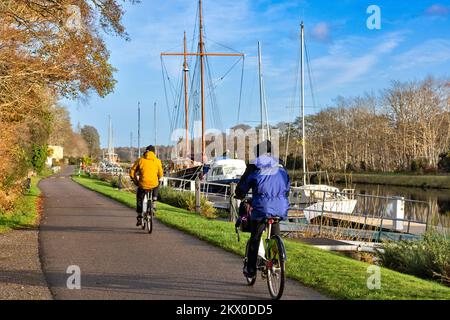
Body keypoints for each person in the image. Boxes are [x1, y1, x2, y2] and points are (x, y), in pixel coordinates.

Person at [235, 140, 290, 279]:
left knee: (255, 237)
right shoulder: (281, 165)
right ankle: (276, 260)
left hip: (261, 207)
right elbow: (287, 186)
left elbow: (243, 186)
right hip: (281, 206)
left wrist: (239, 194)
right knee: (274, 234)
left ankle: (251, 270)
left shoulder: (254, 166)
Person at [130, 145, 164, 226]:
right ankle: (154, 202)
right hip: (153, 184)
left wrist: (135, 181)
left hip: (143, 184)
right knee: (157, 184)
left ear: (146, 151)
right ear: (154, 152)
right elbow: (161, 174)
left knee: (139, 198)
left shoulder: (140, 160)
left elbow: (132, 171)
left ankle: (139, 216)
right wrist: (159, 178)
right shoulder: (157, 161)